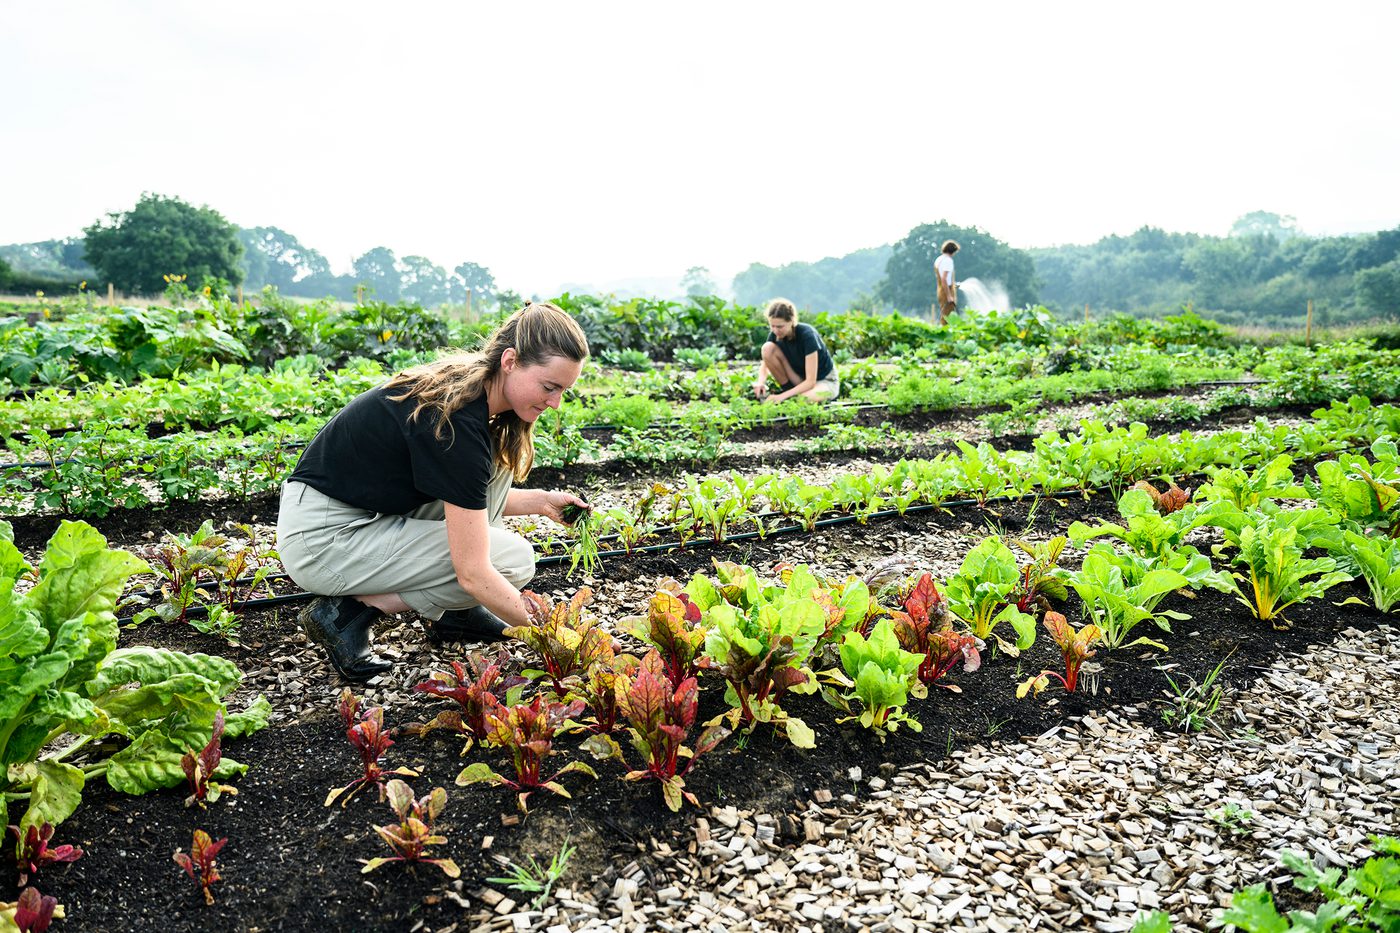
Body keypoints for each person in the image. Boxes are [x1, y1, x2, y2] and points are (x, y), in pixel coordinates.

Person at [276, 301, 591, 681]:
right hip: (324, 541)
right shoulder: (456, 423)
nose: (555, 403)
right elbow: (474, 571)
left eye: (563, 392)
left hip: (350, 517)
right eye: (549, 387)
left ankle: (455, 614)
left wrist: (541, 503)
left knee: (493, 478)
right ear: (510, 360)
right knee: (514, 559)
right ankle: (351, 612)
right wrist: (560, 641)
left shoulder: (467, 396)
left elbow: (466, 498)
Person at [751, 298, 840, 403]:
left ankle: (790, 396)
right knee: (767, 348)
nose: (775, 330)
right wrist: (760, 382)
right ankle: (789, 391)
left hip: (823, 381)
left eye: (780, 326)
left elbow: (811, 381)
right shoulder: (775, 335)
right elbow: (765, 363)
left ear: (792, 321)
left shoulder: (807, 335)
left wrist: (782, 396)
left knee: (802, 400)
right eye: (772, 326)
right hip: (798, 380)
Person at [934, 239, 959, 326]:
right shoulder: (948, 260)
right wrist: (949, 296)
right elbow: (944, 279)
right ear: (953, 251)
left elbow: (942, 279)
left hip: (941, 289)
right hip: (946, 290)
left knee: (944, 313)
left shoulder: (939, 259)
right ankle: (947, 334)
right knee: (948, 315)